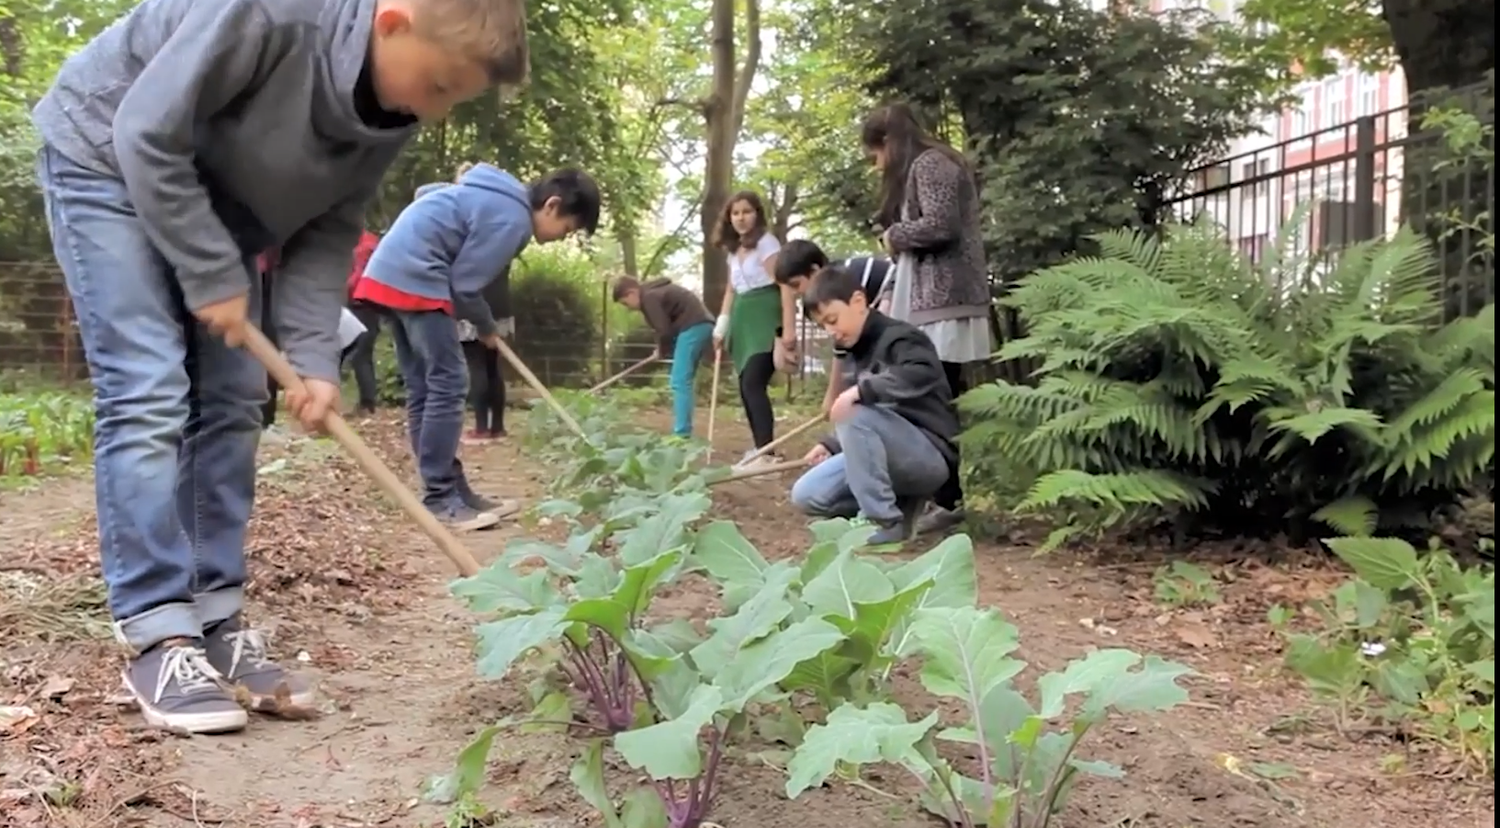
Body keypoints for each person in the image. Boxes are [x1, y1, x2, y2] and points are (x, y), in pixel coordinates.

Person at [32, 0, 530, 735]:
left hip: (218, 204)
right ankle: (156, 631)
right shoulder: (272, 14)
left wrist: (312, 360)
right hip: (107, 154)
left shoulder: (389, 114)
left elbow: (328, 232)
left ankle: (213, 617)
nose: (439, 111)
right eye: (441, 85)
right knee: (149, 388)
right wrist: (210, 272)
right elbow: (147, 132)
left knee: (235, 399)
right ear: (393, 24)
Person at [355, 165, 600, 531]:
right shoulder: (513, 219)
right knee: (449, 384)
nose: (563, 237)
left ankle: (451, 488)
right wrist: (486, 327)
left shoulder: (488, 194)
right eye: (567, 229)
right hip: (420, 276)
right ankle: (439, 498)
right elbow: (465, 284)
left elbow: (425, 190)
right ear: (552, 205)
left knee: (425, 388)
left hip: (388, 272)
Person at [861, 103, 995, 538]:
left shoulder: (932, 163)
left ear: (887, 142)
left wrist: (894, 235)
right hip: (932, 299)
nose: (877, 165)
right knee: (933, 398)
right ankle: (941, 497)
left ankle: (948, 500)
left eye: (874, 155)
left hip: (945, 300)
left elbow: (942, 226)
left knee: (934, 400)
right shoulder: (927, 165)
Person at [789, 265, 958, 547]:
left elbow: (921, 372)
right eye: (823, 326)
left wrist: (861, 391)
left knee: (853, 410)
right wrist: (832, 445)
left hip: (928, 456)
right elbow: (872, 424)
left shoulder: (902, 338)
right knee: (806, 494)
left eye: (833, 319)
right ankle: (901, 508)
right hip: (885, 453)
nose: (830, 331)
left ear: (858, 301)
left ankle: (883, 521)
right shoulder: (853, 351)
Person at [711, 191, 796, 465]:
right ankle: (761, 447)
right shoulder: (733, 251)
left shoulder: (767, 244)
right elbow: (730, 290)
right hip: (742, 319)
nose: (741, 218)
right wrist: (721, 326)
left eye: (746, 211)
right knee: (746, 385)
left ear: (757, 214)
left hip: (766, 316)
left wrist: (789, 328)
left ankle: (767, 453)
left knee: (753, 383)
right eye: (735, 213)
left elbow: (784, 285)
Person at [773, 239, 895, 415]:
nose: (794, 293)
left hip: (901, 296)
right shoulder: (819, 304)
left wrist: (835, 396)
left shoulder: (844, 279)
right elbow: (841, 347)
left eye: (795, 285)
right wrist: (832, 397)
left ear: (815, 271)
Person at [611, 275, 714, 437]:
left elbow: (663, 329)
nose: (628, 308)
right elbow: (667, 327)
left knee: (679, 380)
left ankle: (681, 434)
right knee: (683, 380)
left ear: (631, 293)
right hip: (699, 324)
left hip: (693, 326)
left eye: (625, 303)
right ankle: (683, 429)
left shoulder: (649, 298)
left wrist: (661, 349)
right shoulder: (653, 293)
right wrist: (662, 349)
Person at [459, 268, 513, 443]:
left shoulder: (471, 246)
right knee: (493, 366)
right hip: (501, 309)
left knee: (477, 366)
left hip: (472, 309)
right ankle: (498, 427)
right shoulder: (504, 244)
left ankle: (481, 428)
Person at [342, 228, 385, 416]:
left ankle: (367, 404)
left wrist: (337, 289)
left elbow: (357, 277)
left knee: (360, 354)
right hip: (365, 303)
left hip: (361, 303)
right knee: (358, 353)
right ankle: (366, 403)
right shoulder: (368, 242)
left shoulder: (365, 246)